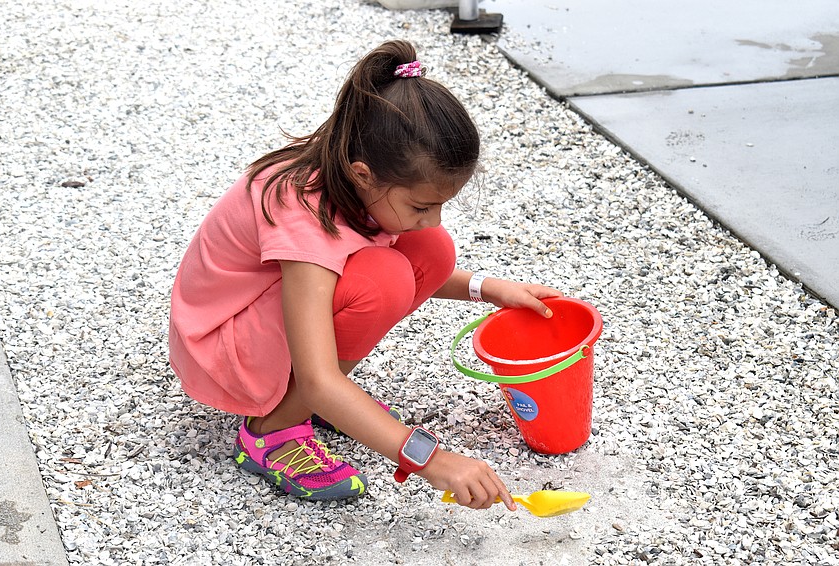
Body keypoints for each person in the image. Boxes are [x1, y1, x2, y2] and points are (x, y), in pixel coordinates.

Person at [169, 40, 561, 511]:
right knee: (382, 282)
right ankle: (272, 431)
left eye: (441, 204)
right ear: (363, 174)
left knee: (430, 250)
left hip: (260, 317)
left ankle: (312, 408)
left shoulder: (351, 173)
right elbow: (318, 377)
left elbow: (419, 257)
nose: (434, 217)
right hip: (221, 348)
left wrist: (486, 288)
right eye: (421, 205)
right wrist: (432, 460)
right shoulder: (305, 219)